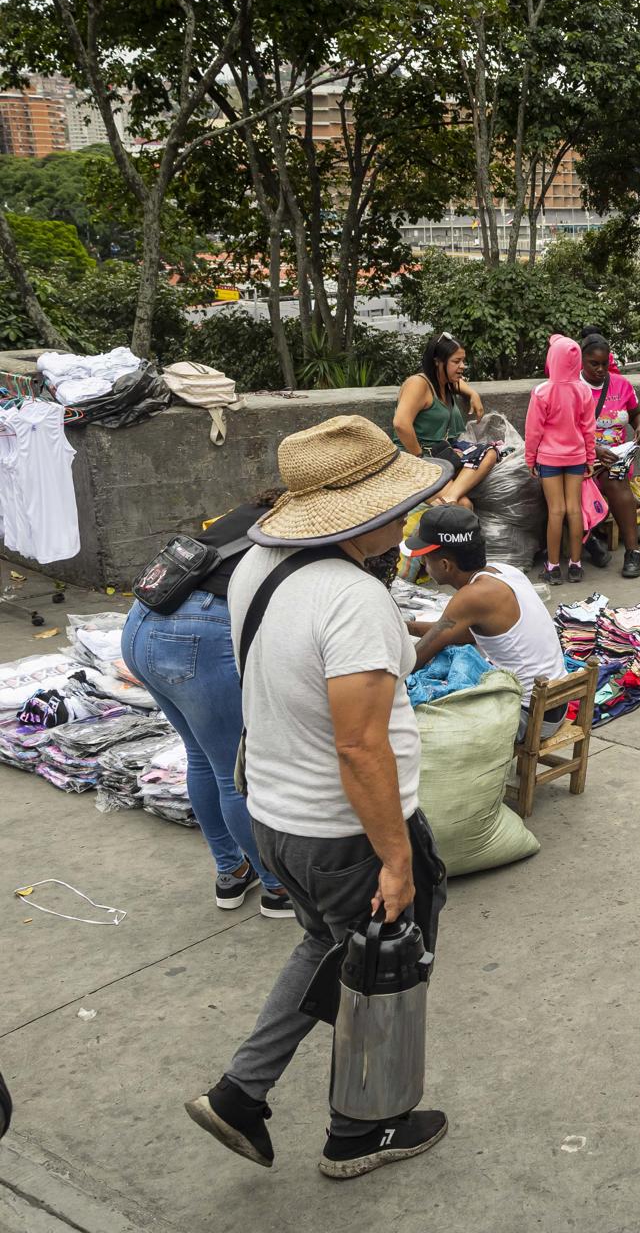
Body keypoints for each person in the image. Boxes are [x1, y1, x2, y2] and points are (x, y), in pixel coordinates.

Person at [183, 414, 450, 1180]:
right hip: (347, 833)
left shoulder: (258, 563)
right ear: (358, 512)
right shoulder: (351, 598)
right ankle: (362, 1131)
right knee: (382, 975)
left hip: (277, 819)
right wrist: (396, 858)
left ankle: (240, 1093)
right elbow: (359, 745)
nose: (406, 517)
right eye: (395, 504)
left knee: (329, 947)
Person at [123, 492, 293, 918]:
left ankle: (232, 871)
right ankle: (277, 889)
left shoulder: (263, 508)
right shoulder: (311, 527)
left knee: (202, 758)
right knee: (238, 771)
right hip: (194, 635)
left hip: (143, 621)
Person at [401, 505, 570, 738]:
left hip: (531, 717)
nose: (424, 566)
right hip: (554, 704)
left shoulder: (471, 597)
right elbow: (461, 635)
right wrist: (407, 627)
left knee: (419, 720)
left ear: (445, 565)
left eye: (425, 560)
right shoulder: (504, 571)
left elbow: (416, 658)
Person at [391, 333, 497, 511]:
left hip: (442, 453)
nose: (462, 366)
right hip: (415, 460)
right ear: (438, 361)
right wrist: (420, 459)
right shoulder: (418, 384)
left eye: (463, 361)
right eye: (456, 362)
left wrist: (473, 394)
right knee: (465, 506)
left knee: (491, 452)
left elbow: (460, 383)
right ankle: (454, 501)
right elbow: (400, 423)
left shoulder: (446, 383)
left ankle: (450, 497)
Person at [524, 333, 596, 585]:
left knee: (556, 511)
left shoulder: (542, 391)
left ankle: (553, 567)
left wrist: (530, 459)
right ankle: (576, 565)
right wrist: (590, 457)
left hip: (550, 458)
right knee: (574, 510)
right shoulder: (584, 390)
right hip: (576, 456)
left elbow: (534, 431)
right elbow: (589, 427)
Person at [580, 332, 640, 580]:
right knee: (564, 489)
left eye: (604, 364)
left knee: (616, 482)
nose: (599, 369)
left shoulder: (621, 385)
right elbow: (564, 429)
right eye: (593, 364)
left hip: (614, 458)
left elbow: (638, 412)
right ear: (582, 361)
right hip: (582, 458)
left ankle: (633, 553)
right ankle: (590, 543)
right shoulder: (573, 388)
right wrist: (594, 450)